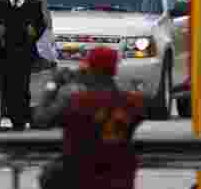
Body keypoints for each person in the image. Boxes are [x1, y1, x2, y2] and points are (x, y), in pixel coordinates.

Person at [33, 47, 145, 189]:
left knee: (49, 172)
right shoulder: (131, 103)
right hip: (119, 179)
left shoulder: (76, 101)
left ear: (90, 69)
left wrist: (53, 85)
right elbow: (114, 96)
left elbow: (41, 119)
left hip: (80, 179)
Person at [0, 0, 47, 130]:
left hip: (24, 53)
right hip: (4, 53)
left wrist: (34, 32)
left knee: (21, 88)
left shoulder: (33, 5)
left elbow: (41, 25)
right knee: (7, 89)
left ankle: (19, 122)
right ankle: (15, 117)